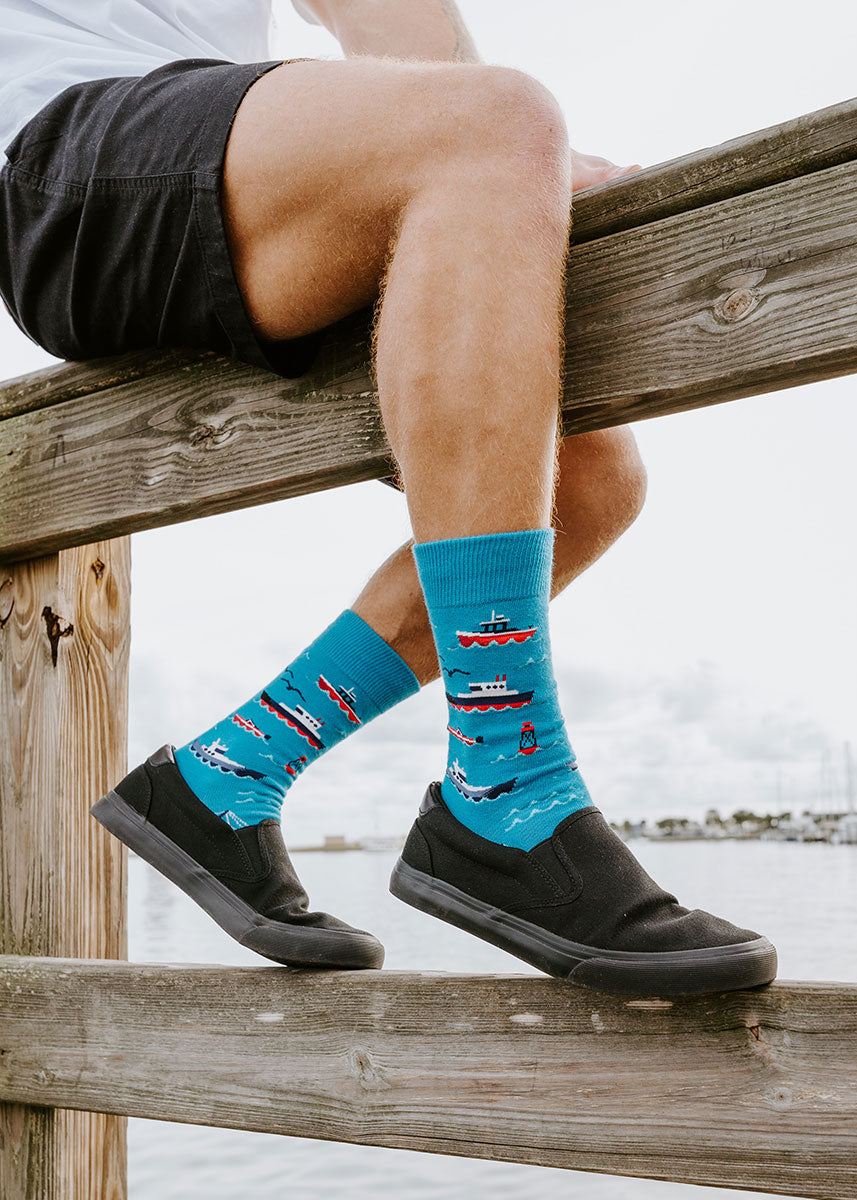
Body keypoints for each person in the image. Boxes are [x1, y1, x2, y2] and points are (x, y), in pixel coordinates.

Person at [0, 0, 776, 996]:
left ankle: (222, 779)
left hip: (233, 174)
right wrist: (490, 135)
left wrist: (500, 160)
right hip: (65, 152)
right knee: (497, 118)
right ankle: (505, 786)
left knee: (588, 483)